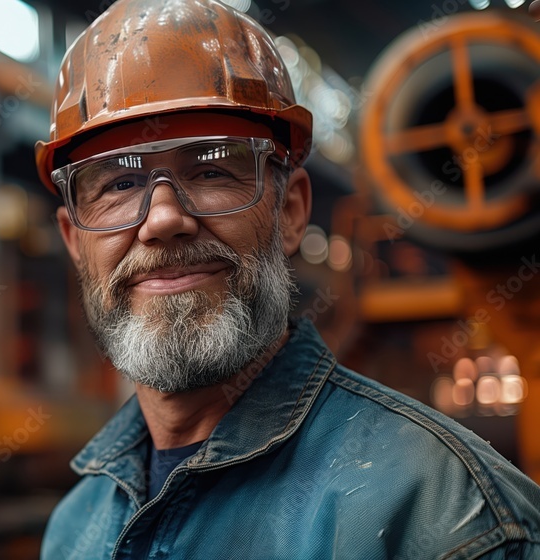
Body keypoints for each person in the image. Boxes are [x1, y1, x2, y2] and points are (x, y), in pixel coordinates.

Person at [33, 0, 540, 558]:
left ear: (292, 212)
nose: (163, 219)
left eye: (211, 169)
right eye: (118, 186)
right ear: (75, 240)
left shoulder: (450, 521)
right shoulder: (73, 531)